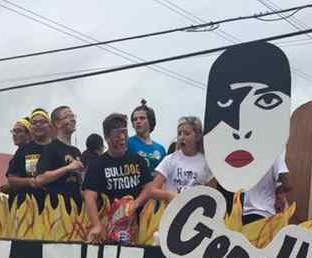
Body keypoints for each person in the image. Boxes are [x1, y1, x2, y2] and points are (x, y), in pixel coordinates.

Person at [82, 112, 152, 243]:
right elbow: (89, 196)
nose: (122, 138)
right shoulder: (97, 164)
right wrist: (96, 225)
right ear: (107, 138)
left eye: (124, 133)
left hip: (135, 225)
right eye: (116, 135)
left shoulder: (138, 160)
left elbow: (148, 187)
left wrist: (135, 204)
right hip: (107, 226)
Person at [130, 116, 214, 214]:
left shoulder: (206, 162)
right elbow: (151, 190)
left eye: (187, 134)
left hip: (196, 214)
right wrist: (168, 196)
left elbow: (212, 194)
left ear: (197, 136)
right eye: (179, 133)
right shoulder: (170, 160)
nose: (182, 137)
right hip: (171, 214)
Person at [35, 105, 84, 209]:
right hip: (57, 210)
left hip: (77, 209)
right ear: (57, 123)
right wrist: (68, 168)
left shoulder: (76, 151)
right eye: (67, 116)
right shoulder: (50, 148)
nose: (72, 119)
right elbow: (40, 179)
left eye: (73, 116)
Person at [5, 107, 53, 210]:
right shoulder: (23, 151)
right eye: (34, 122)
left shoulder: (57, 148)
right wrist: (31, 181)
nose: (38, 125)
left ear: (50, 126)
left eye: (42, 122)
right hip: (27, 208)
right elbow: (11, 179)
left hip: (54, 207)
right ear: (31, 127)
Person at [243, 154, 290, 223]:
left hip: (249, 213)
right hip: (262, 212)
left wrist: (280, 197)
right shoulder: (273, 154)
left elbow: (282, 175)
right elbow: (285, 181)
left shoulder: (274, 148)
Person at [127, 100, 166, 173]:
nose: (138, 121)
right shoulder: (128, 143)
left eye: (142, 118)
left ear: (150, 121)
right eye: (135, 119)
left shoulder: (161, 149)